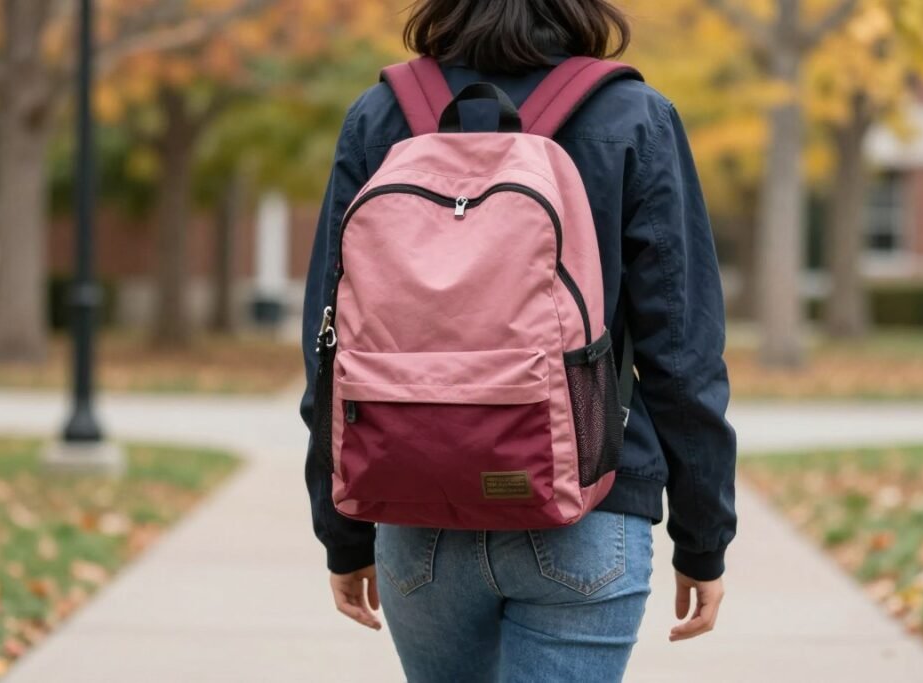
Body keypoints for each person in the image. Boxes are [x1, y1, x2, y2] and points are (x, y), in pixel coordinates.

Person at [300, 1, 737, 680]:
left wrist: (342, 529)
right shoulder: (634, 117)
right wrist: (703, 537)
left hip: (415, 510)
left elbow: (327, 345)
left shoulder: (381, 116)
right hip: (588, 508)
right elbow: (682, 353)